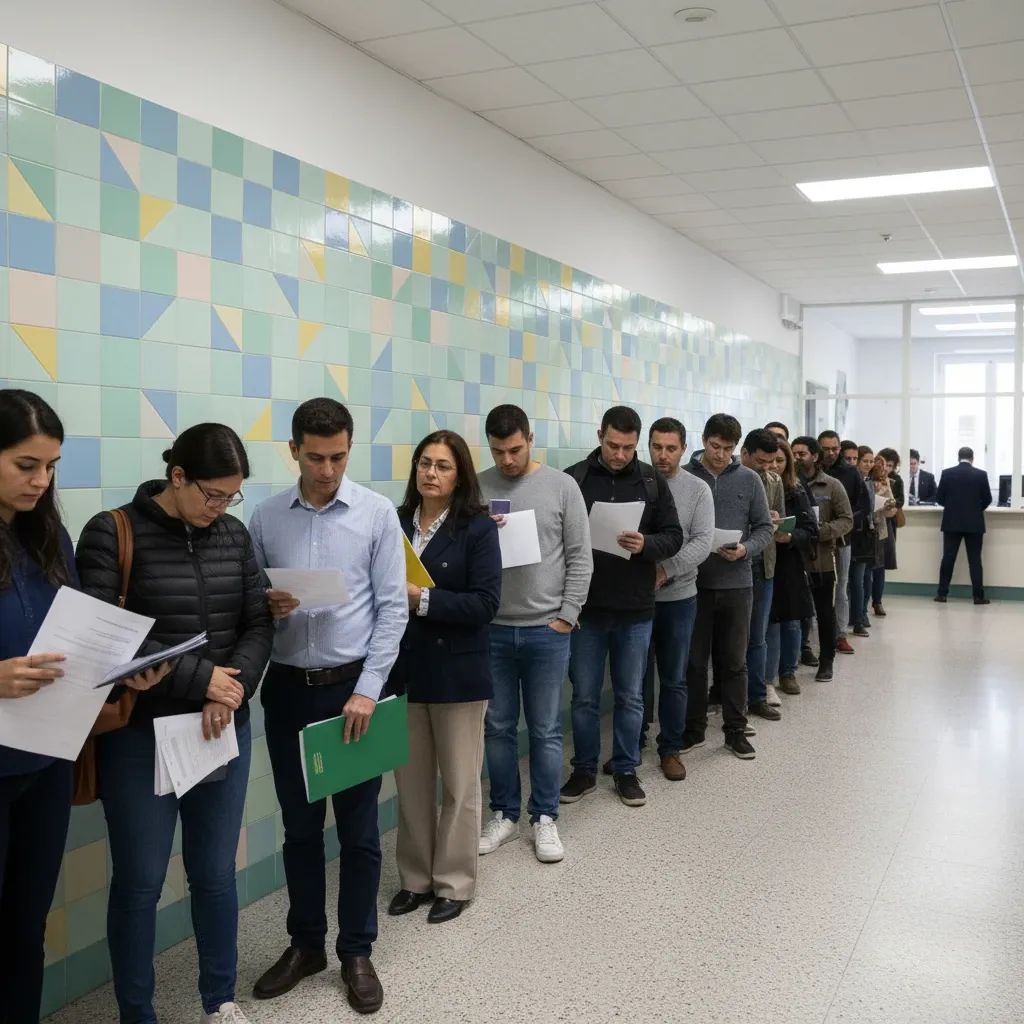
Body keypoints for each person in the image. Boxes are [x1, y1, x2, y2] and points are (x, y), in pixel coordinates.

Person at [77, 424, 274, 1024]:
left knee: (214, 873)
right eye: (212, 495)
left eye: (232, 497)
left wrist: (230, 689)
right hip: (141, 735)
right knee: (139, 882)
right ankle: (137, 1012)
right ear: (177, 476)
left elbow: (258, 622)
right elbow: (105, 637)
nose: (221, 508)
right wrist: (201, 680)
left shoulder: (233, 535)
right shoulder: (111, 532)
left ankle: (220, 999)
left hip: (219, 728)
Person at [0, 390, 163, 1024]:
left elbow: (71, 638)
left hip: (46, 761)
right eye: (25, 465)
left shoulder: (48, 536)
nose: (41, 481)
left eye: (51, 467)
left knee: (26, 924)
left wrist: (118, 675)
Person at [248, 399, 407, 1014]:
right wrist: (266, 606)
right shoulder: (266, 517)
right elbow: (249, 605)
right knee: (300, 828)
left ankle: (357, 951)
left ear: (349, 448)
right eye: (315, 457)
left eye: (338, 457)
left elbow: (393, 608)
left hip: (353, 692)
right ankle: (306, 944)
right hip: (289, 690)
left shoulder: (376, 513)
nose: (327, 470)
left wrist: (369, 688)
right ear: (294, 450)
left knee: (361, 832)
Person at [388, 430, 501, 924]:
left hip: (458, 673)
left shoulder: (477, 528)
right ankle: (415, 879)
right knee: (411, 784)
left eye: (443, 466)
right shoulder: (394, 522)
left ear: (460, 477)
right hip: (405, 670)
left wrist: (423, 599)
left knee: (458, 784)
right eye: (425, 463)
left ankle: (454, 882)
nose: (431, 473)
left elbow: (486, 603)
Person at [478, 405, 592, 864]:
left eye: (515, 449)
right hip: (492, 630)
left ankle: (544, 816)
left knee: (545, 729)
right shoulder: (478, 487)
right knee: (498, 727)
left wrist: (568, 614)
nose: (507, 460)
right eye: (498, 452)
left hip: (547, 629)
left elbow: (580, 556)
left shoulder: (562, 486)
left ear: (531, 438)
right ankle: (504, 813)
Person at [560, 406, 683, 806]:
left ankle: (626, 769)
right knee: (584, 696)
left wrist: (647, 544)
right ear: (600, 435)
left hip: (635, 609)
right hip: (586, 609)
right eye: (613, 445)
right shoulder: (574, 479)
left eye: (628, 448)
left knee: (631, 696)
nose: (619, 454)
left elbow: (674, 536)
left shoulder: (650, 481)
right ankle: (583, 770)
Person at [681, 414, 774, 760]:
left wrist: (745, 549)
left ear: (736, 448)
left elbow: (764, 528)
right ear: (703, 440)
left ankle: (735, 730)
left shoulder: (750, 480)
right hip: (694, 584)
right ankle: (694, 729)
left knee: (735, 661)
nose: (720, 455)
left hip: (737, 584)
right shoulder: (686, 477)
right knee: (694, 662)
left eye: (727, 448)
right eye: (714, 446)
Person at [635, 417, 713, 781]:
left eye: (670, 448)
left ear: (683, 448)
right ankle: (632, 743)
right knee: (634, 677)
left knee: (674, 677)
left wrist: (665, 570)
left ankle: (670, 748)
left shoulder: (697, 490)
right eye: (656, 447)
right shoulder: (636, 481)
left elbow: (702, 541)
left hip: (679, 598)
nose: (662, 455)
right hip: (635, 598)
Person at [791, 437, 853, 683]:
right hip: (793, 557)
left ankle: (827, 659)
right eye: (794, 453)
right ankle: (795, 657)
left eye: (802, 454)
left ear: (815, 456)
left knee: (824, 612)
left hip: (822, 559)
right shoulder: (788, 483)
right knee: (795, 613)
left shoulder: (832, 485)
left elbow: (847, 520)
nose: (797, 458)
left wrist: (820, 531)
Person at [765, 440, 817, 698]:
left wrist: (790, 536)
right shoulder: (755, 484)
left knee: (791, 622)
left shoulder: (796, 490)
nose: (774, 465)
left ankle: (788, 672)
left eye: (780, 460)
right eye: (770, 460)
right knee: (769, 623)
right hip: (763, 562)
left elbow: (811, 530)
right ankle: (768, 678)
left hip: (789, 562)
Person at [740, 429, 784, 723]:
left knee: (758, 636)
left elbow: (778, 519)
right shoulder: (730, 477)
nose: (767, 467)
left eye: (771, 462)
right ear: (745, 453)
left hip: (764, 564)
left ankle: (757, 696)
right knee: (730, 638)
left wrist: (775, 520)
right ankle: (725, 695)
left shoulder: (773, 480)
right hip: (733, 565)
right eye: (761, 461)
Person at [819, 430, 870, 657]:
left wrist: (842, 525)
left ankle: (840, 634)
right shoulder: (812, 470)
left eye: (834, 449)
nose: (830, 453)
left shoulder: (850, 473)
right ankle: (812, 637)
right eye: (826, 449)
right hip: (815, 539)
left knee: (841, 587)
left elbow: (863, 506)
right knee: (815, 587)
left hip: (843, 539)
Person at [935, 447, 992, 605]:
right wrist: (975, 510)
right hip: (974, 524)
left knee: (948, 558)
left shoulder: (947, 473)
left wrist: (952, 507)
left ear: (958, 457)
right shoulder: (981, 475)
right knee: (975, 560)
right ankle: (978, 596)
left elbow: (939, 498)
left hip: (951, 523)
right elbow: (988, 499)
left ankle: (942, 594)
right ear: (972, 458)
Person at [847, 445, 880, 638]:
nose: (868, 464)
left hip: (864, 534)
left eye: (871, 461)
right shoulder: (855, 480)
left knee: (861, 578)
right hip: (852, 532)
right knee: (852, 580)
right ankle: (855, 616)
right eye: (864, 461)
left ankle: (859, 617)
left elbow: (869, 508)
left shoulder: (868, 481)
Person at [873, 448, 904, 616]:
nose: (886, 468)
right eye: (884, 464)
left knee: (881, 564)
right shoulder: (869, 478)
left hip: (886, 524)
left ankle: (877, 601)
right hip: (870, 523)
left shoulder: (896, 480)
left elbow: (899, 501)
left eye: (890, 465)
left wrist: (887, 498)